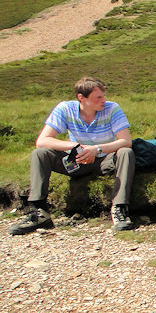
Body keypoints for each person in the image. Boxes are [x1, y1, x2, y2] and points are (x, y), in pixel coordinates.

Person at [9, 77, 135, 235]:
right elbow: (42, 141)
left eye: (104, 96)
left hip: (104, 159)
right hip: (75, 160)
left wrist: (96, 149)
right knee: (40, 154)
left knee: (125, 152)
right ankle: (39, 212)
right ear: (81, 98)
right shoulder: (65, 109)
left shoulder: (112, 109)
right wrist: (75, 147)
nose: (104, 100)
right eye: (98, 97)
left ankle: (119, 209)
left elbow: (126, 141)